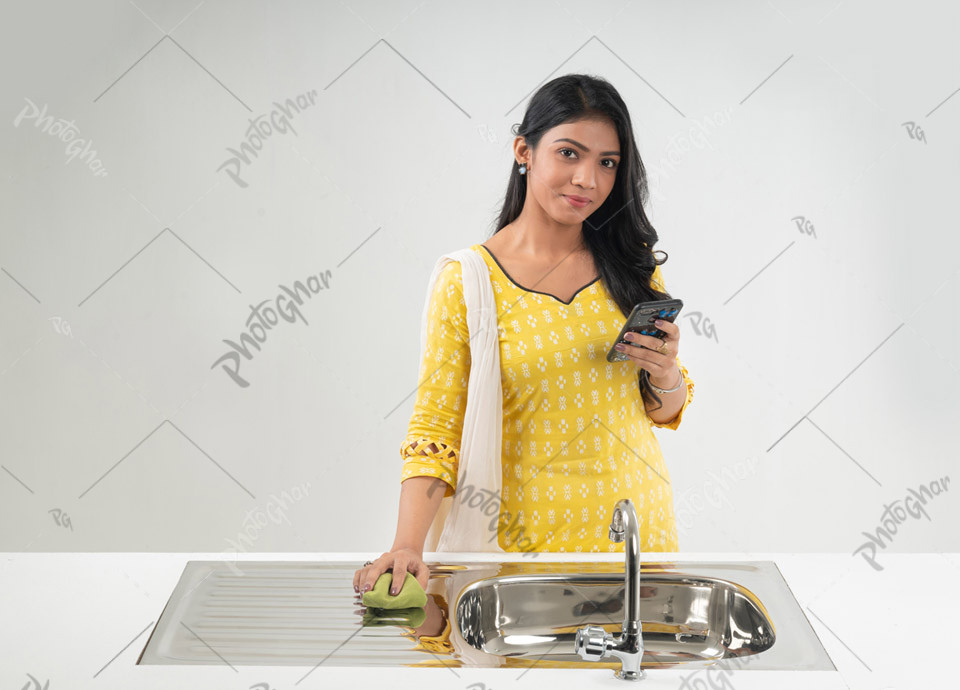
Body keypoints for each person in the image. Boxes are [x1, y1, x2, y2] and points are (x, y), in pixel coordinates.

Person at [353, 74, 695, 599]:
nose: (587, 179)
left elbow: (662, 411)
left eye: (608, 162)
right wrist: (406, 545)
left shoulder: (634, 269)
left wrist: (668, 374)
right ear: (524, 151)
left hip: (636, 537)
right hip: (521, 550)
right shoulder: (469, 280)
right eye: (569, 153)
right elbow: (436, 428)